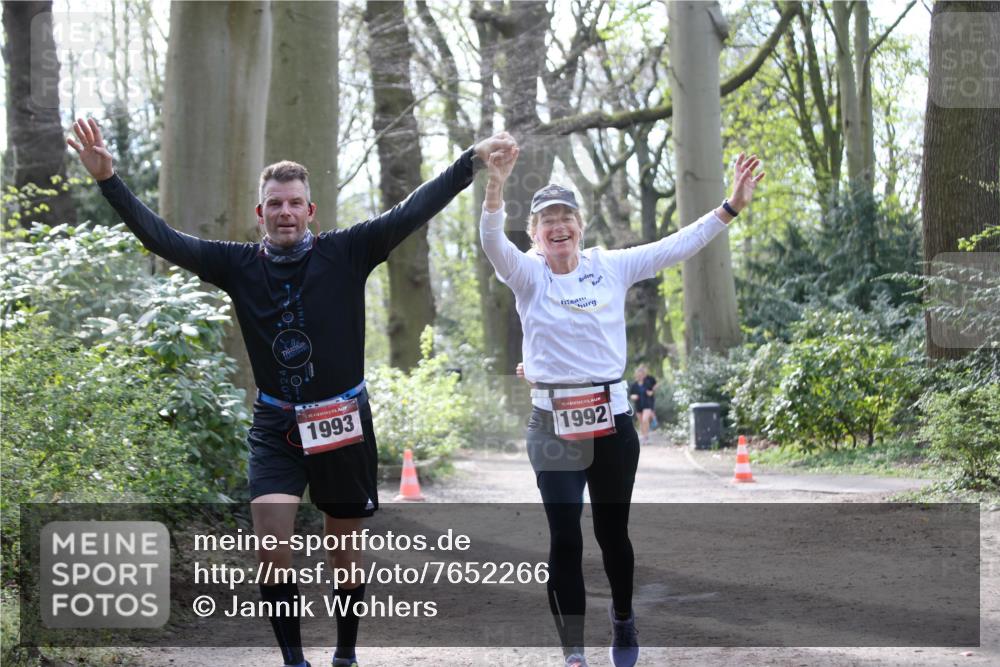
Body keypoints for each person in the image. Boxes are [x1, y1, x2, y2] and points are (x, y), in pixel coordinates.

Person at [68, 118, 513, 667]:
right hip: (276, 423)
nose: (284, 212)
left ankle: (345, 655)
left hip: (341, 419)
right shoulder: (236, 264)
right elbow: (162, 239)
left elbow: (415, 208)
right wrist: (109, 180)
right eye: (274, 204)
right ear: (261, 214)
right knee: (271, 545)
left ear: (310, 211)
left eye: (294, 203)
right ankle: (294, 661)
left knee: (343, 551)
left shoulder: (349, 251)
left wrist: (470, 160)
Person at [480, 142, 763, 667]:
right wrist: (496, 183)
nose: (558, 226)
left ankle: (624, 619)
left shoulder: (610, 266)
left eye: (566, 216)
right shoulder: (525, 274)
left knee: (612, 533)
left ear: (580, 226)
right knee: (565, 535)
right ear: (535, 235)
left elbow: (676, 246)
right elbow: (491, 239)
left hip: (610, 421)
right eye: (547, 220)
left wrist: (730, 207)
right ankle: (573, 654)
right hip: (553, 427)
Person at [628, 365, 658, 445]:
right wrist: (633, 396)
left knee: (645, 420)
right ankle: (644, 437)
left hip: (647, 404)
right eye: (639, 375)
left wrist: (650, 392)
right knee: (641, 422)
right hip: (638, 406)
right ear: (636, 375)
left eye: (641, 375)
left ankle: (646, 437)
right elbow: (631, 395)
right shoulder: (634, 385)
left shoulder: (647, 382)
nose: (640, 376)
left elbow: (652, 391)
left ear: (643, 375)